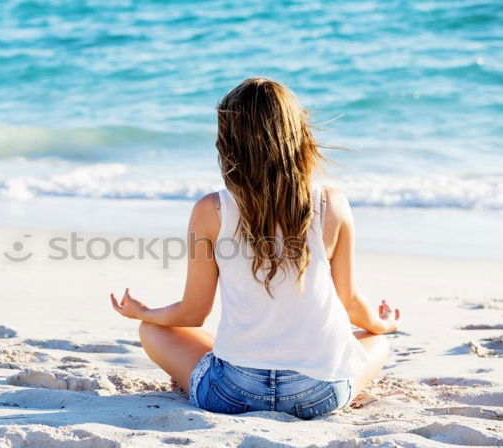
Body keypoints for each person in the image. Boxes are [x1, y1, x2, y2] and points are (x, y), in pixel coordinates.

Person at [111, 77, 400, 419]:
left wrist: (143, 312)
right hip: (317, 395)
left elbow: (193, 314)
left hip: (231, 393)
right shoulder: (331, 203)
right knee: (376, 343)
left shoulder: (211, 210)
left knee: (153, 331)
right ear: (298, 135)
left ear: (229, 142)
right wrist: (382, 325)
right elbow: (349, 301)